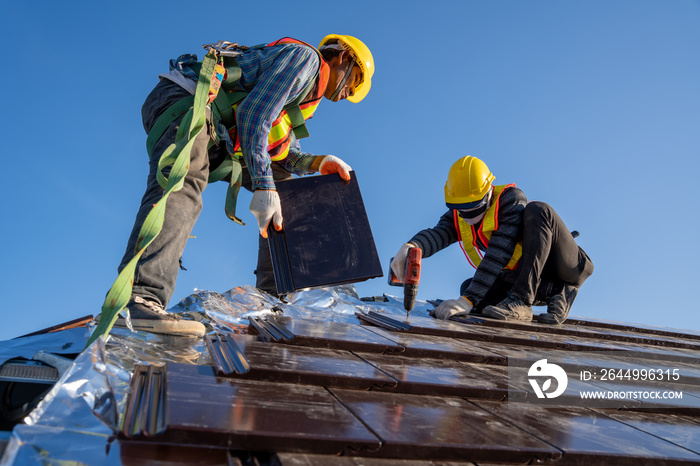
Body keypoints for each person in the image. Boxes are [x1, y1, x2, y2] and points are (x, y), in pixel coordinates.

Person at [107, 34, 375, 337]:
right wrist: (263, 184)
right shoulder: (306, 61)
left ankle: (275, 300)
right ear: (341, 57)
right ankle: (140, 299)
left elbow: (284, 156)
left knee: (284, 192)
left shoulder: (301, 97)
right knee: (187, 180)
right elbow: (252, 115)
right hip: (185, 100)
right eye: (351, 82)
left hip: (216, 125)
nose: (345, 94)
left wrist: (317, 163)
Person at [391, 156, 593, 325]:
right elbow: (437, 234)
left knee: (538, 210)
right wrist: (411, 247)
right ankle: (557, 292)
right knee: (471, 289)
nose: (468, 215)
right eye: (462, 209)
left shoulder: (511, 201)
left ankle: (522, 301)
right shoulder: (459, 215)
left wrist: (467, 300)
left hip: (564, 265)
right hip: (530, 276)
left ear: (488, 192)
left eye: (475, 207)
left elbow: (499, 252)